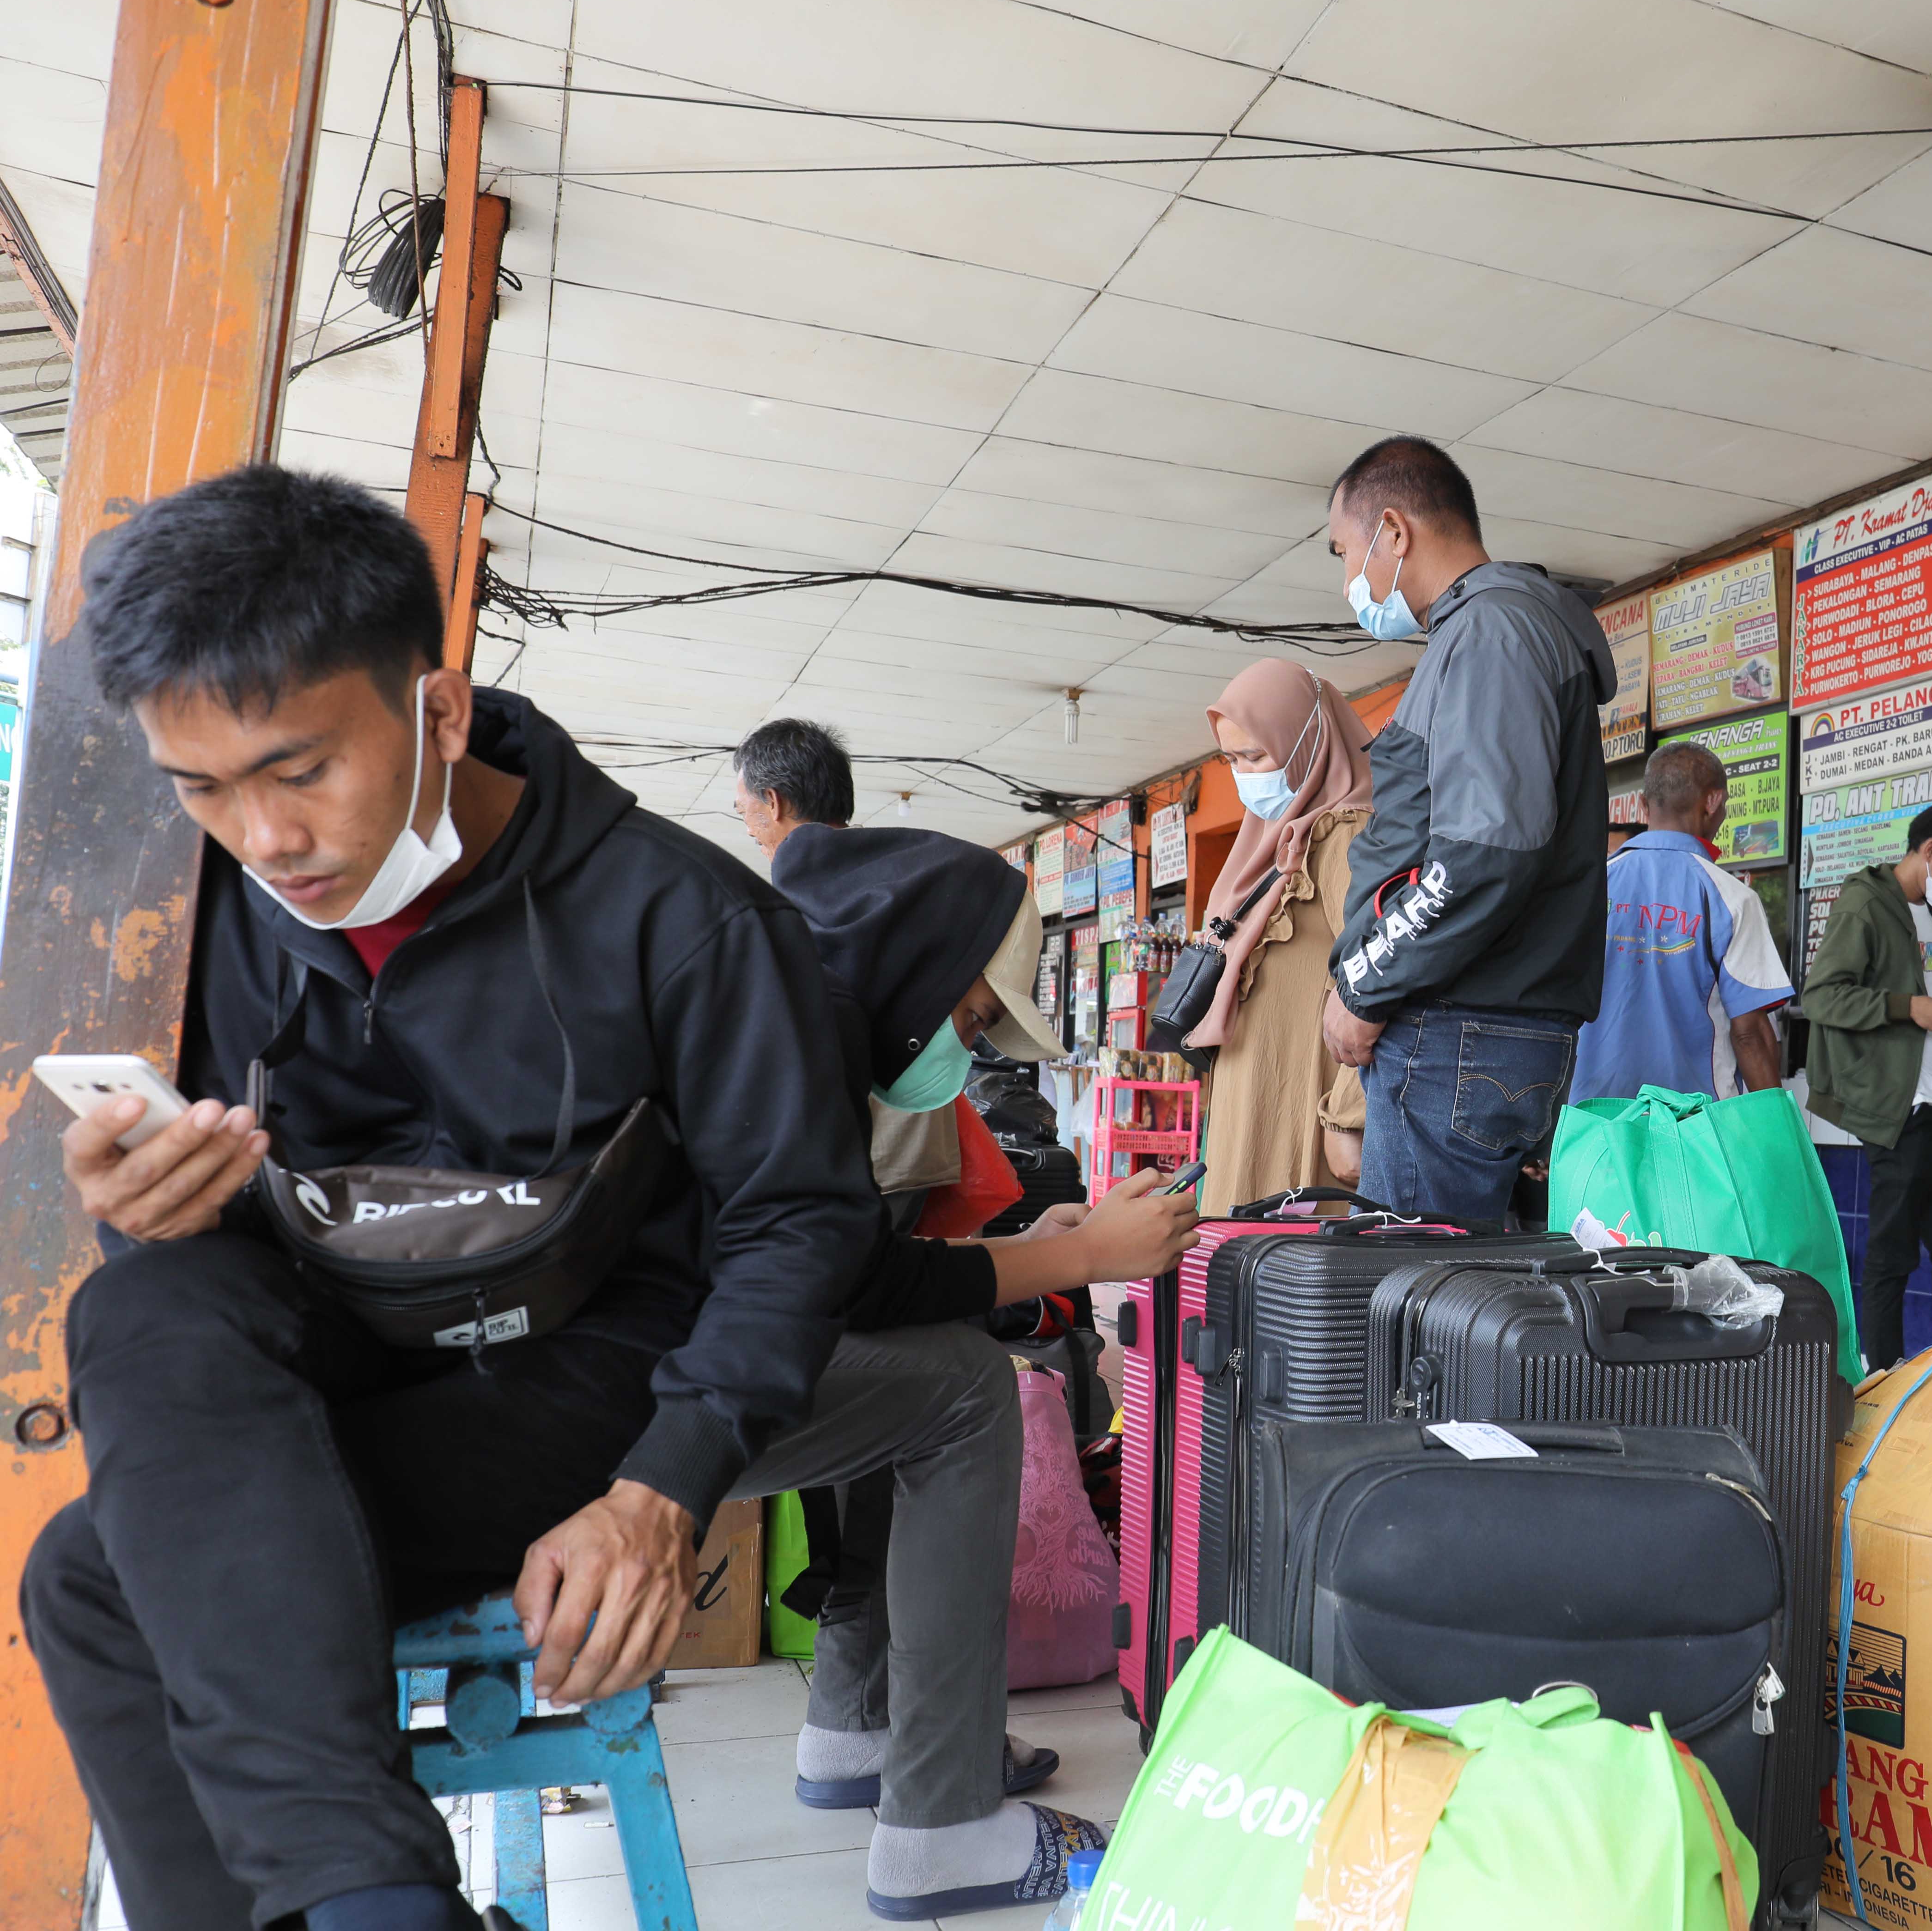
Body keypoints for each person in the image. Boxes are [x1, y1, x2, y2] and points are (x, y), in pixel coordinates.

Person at [19, 466, 1100, 1931]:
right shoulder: (225, 927)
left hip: (584, 1360)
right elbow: (213, 1281)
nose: (265, 837)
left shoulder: (689, 920)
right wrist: (154, 1200)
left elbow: (800, 1226)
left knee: (92, 1577)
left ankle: (366, 1906)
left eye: (298, 769)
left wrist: (662, 1490)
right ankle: (382, 1899)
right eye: (203, 789)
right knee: (143, 1292)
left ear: (438, 712)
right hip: (341, 1338)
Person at [765, 822, 1196, 1912]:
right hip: (639, 1403)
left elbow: (841, 1274)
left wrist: (1040, 1252)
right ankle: (943, 1826)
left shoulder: (783, 999)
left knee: (906, 1368)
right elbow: (851, 1289)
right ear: (920, 969)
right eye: (966, 1015)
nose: (965, 1042)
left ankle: (856, 1730)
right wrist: (1079, 1256)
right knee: (959, 1387)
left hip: (634, 1370)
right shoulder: (801, 1037)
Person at [1317, 437, 1614, 1221]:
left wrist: (1366, 983)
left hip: (1459, 1032)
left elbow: (1482, 852)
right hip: (1489, 1031)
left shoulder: (1492, 633)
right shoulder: (1494, 632)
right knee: (1475, 1312)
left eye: (1345, 551)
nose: (1349, 578)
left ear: (1394, 530)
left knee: (1420, 1312)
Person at [1798, 794, 1932, 1373]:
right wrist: (1908, 1006)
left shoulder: (1931, 914)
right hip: (1899, 1107)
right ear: (1930, 851)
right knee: (1893, 1255)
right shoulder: (1865, 904)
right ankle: (1884, 1380)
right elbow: (1823, 995)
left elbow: (1927, 1006)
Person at [1190, 660, 1376, 1205]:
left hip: (1297, 1100)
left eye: (1256, 756)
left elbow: (1380, 975)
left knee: (1283, 1270)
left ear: (1309, 743)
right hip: (1248, 1102)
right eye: (1232, 759)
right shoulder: (1270, 840)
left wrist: (1346, 1117)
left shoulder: (1348, 835)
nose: (1245, 774)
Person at [1569, 739, 1792, 1105]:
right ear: (1714, 802)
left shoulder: (1588, 888)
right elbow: (1750, 1034)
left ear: (1643, 804)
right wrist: (1778, 1135)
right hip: (1693, 1129)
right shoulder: (1731, 899)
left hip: (1594, 1122)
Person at [735, 715, 855, 853]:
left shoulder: (809, 873)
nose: (750, 831)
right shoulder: (879, 860)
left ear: (772, 801)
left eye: (743, 812)